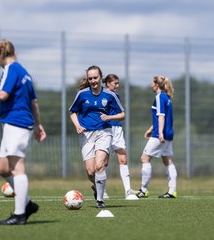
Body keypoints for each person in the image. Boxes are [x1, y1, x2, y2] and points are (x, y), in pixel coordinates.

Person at [0, 39, 46, 225]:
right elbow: (34, 103)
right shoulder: (25, 73)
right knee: (3, 169)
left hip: (16, 123)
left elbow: (2, 95)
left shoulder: (11, 70)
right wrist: (38, 125)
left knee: (17, 168)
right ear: (15, 51)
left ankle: (20, 214)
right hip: (16, 124)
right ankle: (27, 203)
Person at [69, 65, 125, 208]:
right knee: (90, 171)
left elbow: (122, 115)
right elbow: (73, 112)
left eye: (95, 78)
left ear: (101, 78)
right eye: (90, 78)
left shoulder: (110, 95)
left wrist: (109, 117)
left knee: (100, 165)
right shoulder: (82, 94)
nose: (93, 81)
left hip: (104, 132)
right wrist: (77, 125)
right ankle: (96, 186)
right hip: (87, 134)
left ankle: (100, 200)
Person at [136, 75, 178, 199]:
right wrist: (150, 129)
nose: (150, 85)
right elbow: (160, 117)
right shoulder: (167, 98)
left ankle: (143, 190)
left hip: (161, 134)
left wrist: (159, 133)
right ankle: (172, 191)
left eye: (152, 83)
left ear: (156, 85)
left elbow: (161, 117)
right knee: (167, 161)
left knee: (144, 158)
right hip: (169, 133)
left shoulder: (160, 97)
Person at [102, 74, 138, 199]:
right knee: (103, 163)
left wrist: (111, 117)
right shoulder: (100, 95)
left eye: (118, 83)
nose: (117, 85)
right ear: (107, 83)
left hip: (117, 129)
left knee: (123, 159)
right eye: (115, 83)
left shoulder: (116, 96)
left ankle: (128, 191)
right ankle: (102, 191)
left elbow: (121, 114)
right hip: (104, 130)